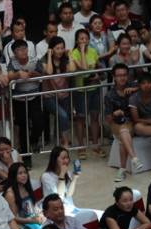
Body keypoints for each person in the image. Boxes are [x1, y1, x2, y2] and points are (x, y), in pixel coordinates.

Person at [105, 63, 142, 182]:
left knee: (123, 134)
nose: (122, 78)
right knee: (123, 130)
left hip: (131, 122)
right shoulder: (110, 95)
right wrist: (114, 114)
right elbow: (108, 119)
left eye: (124, 75)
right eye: (119, 75)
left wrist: (135, 89)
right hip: (116, 123)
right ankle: (134, 158)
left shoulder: (133, 86)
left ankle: (122, 169)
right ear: (114, 77)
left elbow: (150, 88)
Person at [7, 39, 43, 164]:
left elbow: (43, 74)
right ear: (14, 53)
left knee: (39, 122)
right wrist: (18, 74)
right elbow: (9, 75)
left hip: (34, 97)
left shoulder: (35, 60)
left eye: (24, 49)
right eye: (19, 50)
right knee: (23, 127)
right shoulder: (12, 62)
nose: (23, 52)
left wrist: (34, 74)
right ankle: (27, 158)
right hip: (19, 99)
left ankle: (33, 140)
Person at [70, 27, 103, 158]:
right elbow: (84, 69)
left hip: (94, 89)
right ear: (77, 41)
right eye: (81, 39)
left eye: (86, 38)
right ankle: (81, 147)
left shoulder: (94, 51)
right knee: (81, 119)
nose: (84, 41)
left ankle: (96, 145)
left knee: (94, 117)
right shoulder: (74, 54)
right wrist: (83, 51)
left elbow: (98, 68)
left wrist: (97, 75)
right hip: (80, 91)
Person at [42, 36, 76, 148]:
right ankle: (65, 142)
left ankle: (60, 141)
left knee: (61, 118)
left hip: (64, 94)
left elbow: (72, 70)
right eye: (57, 48)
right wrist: (49, 56)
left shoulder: (65, 60)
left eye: (62, 48)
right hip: (49, 96)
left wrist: (70, 55)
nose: (60, 51)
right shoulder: (44, 60)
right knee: (63, 115)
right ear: (51, 49)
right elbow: (49, 72)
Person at [3, 162, 43, 229]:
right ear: (14, 176)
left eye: (25, 172)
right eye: (20, 173)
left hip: (33, 220)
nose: (24, 175)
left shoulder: (26, 187)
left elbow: (33, 207)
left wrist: (40, 214)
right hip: (21, 226)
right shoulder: (10, 193)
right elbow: (13, 218)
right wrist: (32, 221)